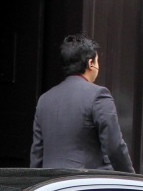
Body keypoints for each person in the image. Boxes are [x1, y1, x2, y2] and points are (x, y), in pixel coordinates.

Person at [30, 34, 134, 172]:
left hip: (52, 187)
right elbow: (114, 147)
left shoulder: (45, 99)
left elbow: (37, 154)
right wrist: (130, 178)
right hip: (86, 186)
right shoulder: (99, 95)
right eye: (97, 61)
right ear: (90, 63)